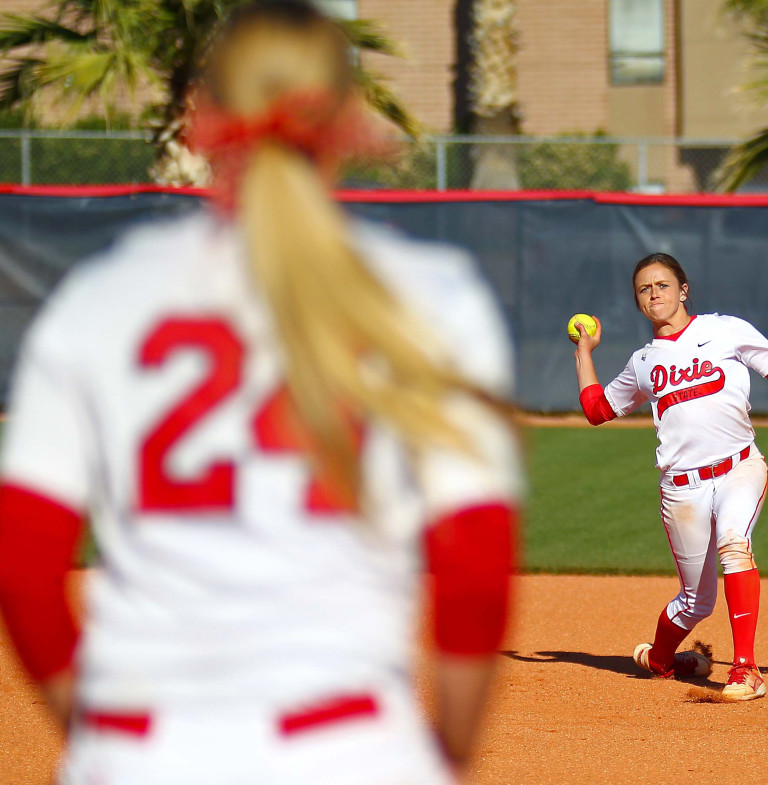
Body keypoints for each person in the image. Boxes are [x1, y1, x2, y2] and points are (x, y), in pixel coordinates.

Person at [0, 2, 520, 783]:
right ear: (347, 115)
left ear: (202, 116)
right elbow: (476, 559)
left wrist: (105, 737)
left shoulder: (103, 295)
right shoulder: (429, 296)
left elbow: (22, 561)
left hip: (141, 750)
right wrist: (444, 751)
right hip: (346, 747)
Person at [570, 252, 768, 702]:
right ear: (638, 303)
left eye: (663, 285)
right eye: (645, 289)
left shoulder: (724, 329)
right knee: (696, 602)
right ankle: (661, 660)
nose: (654, 294)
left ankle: (746, 670)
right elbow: (596, 410)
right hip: (681, 487)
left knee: (735, 544)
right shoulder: (643, 362)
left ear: (683, 290)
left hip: (739, 467)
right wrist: (584, 352)